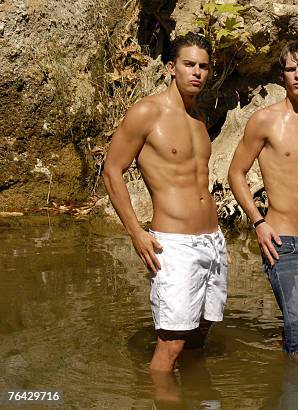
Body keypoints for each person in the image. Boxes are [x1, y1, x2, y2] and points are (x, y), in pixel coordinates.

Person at [103, 32, 228, 373]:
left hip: (212, 241)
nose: (197, 73)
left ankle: (195, 395)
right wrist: (135, 232)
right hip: (174, 243)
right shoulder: (147, 112)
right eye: (189, 65)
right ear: (172, 67)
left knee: (201, 335)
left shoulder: (199, 120)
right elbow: (112, 171)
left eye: (203, 66)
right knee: (171, 343)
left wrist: (216, 240)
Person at [228, 42, 298, 372]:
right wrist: (258, 222)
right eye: (291, 70)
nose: (297, 75)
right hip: (283, 245)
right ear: (283, 77)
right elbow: (236, 173)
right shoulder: (265, 121)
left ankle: (284, 385)